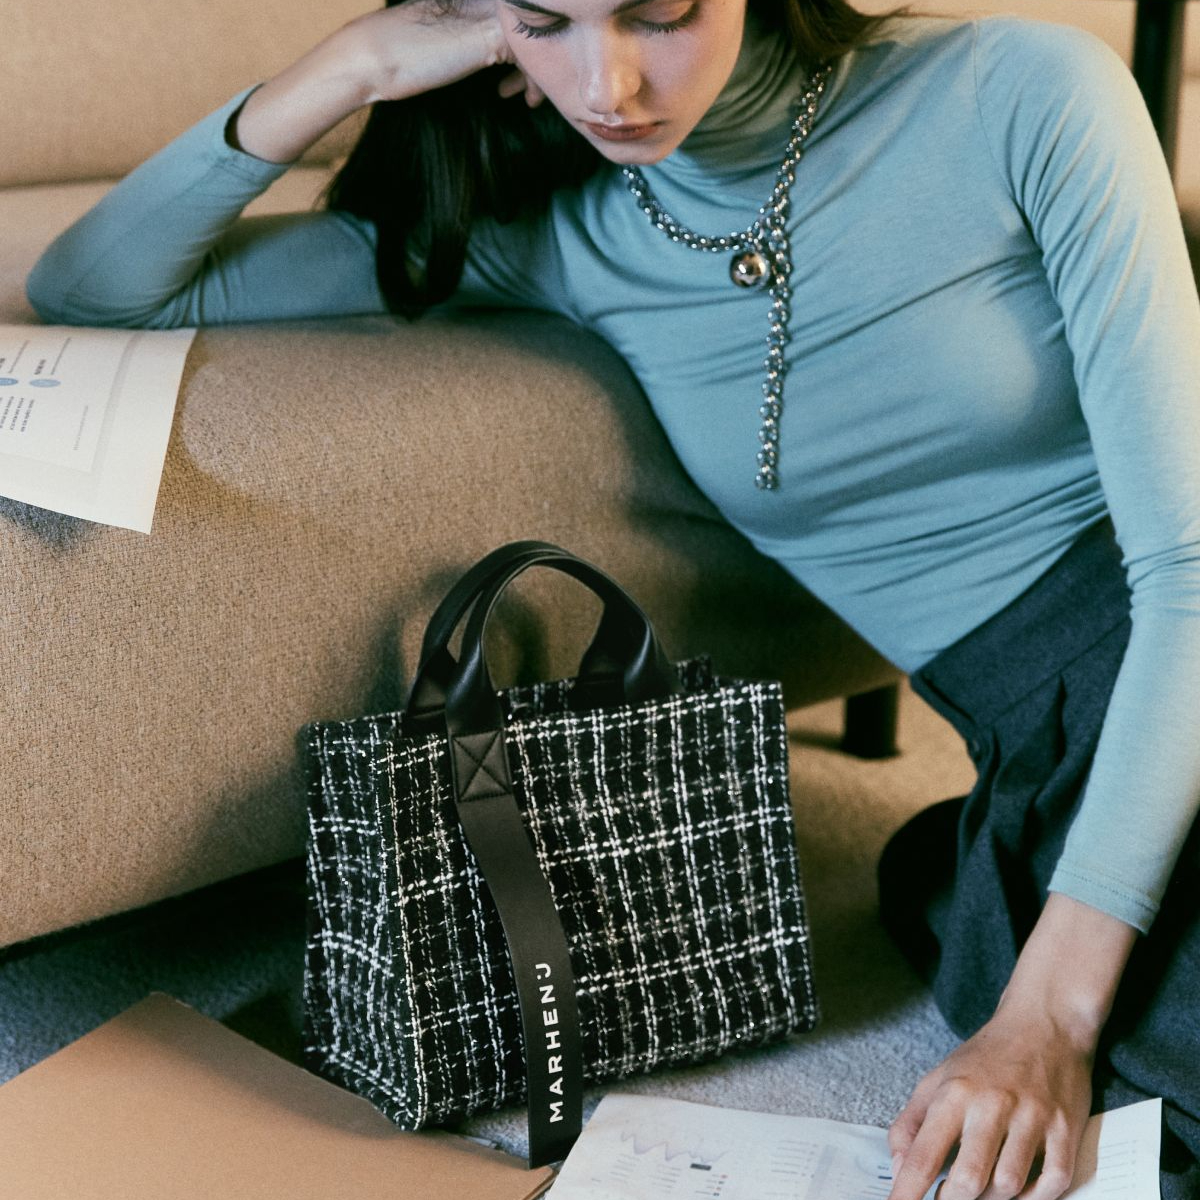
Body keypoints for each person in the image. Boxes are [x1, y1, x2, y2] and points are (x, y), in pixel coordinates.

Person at [25, 0, 1200, 1196]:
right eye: (547, 22)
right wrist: (350, 67)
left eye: (660, 14)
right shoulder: (564, 233)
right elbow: (96, 290)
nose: (610, 85)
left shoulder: (1022, 90)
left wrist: (1048, 1017)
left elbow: (1188, 573)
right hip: (1037, 739)